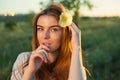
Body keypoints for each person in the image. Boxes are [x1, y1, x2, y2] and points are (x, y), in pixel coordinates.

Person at [11, 2, 87, 80]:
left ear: (66, 33)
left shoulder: (76, 68)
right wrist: (30, 71)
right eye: (40, 29)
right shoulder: (24, 60)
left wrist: (76, 47)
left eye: (54, 29)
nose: (45, 36)